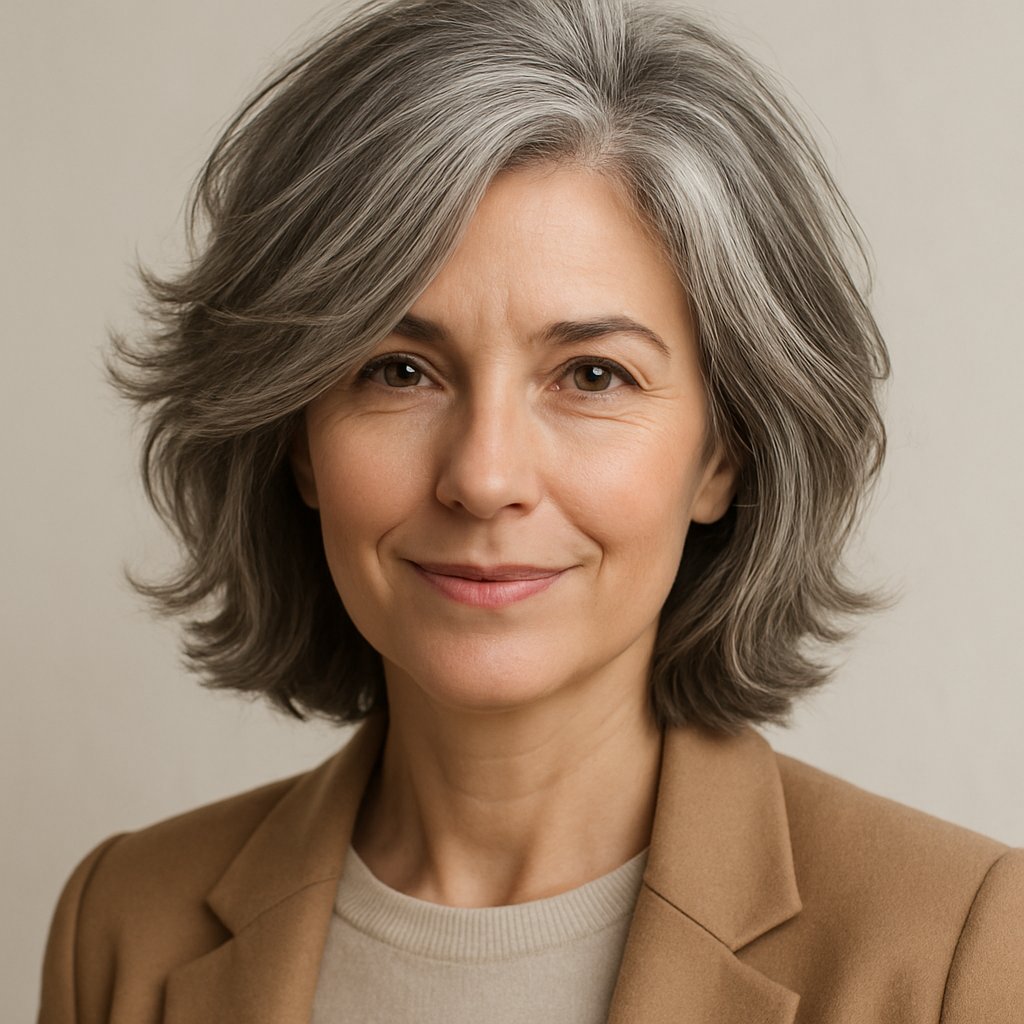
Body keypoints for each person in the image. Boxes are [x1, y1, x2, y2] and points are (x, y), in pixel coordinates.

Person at [38, 0, 1023, 1021]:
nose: (484, 473)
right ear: (295, 436)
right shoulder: (121, 927)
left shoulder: (955, 946)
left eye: (592, 374)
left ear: (721, 454)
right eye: (399, 369)